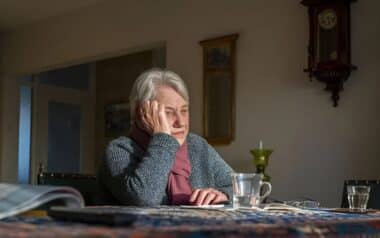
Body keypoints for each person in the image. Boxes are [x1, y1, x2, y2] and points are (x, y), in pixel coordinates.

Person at [97, 68, 234, 206]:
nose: (181, 122)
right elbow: (144, 199)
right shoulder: (118, 150)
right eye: (169, 112)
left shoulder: (197, 145)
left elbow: (239, 187)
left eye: (184, 110)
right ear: (142, 113)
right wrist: (163, 138)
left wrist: (222, 194)